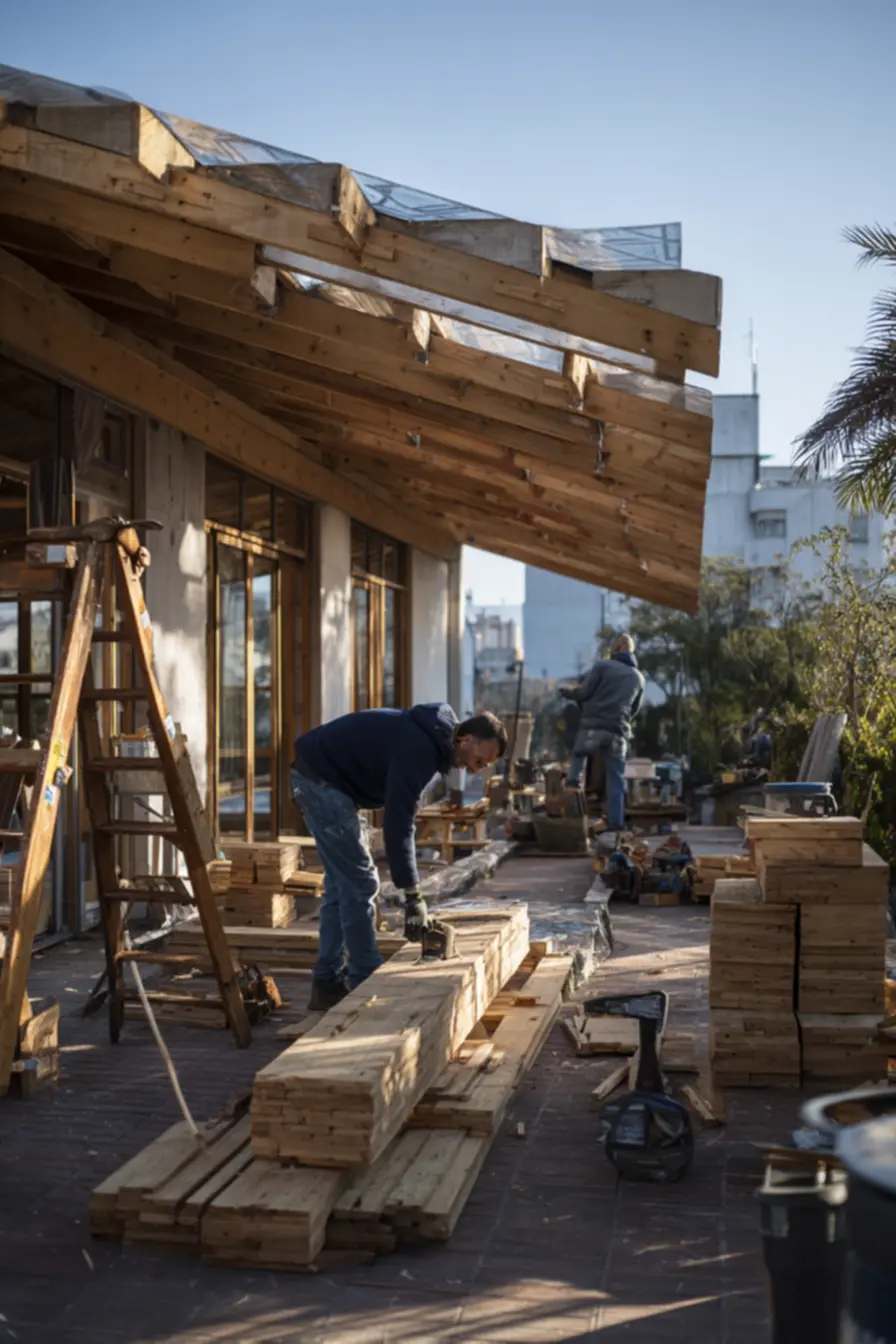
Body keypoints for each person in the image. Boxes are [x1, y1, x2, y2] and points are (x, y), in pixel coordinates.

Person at [290, 704, 507, 1010]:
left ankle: (327, 983)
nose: (477, 768)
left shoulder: (429, 738)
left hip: (320, 780)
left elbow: (399, 815)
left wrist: (411, 891)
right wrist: (412, 893)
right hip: (319, 784)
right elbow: (398, 822)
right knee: (362, 882)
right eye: (479, 759)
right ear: (465, 740)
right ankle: (366, 981)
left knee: (342, 886)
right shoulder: (420, 748)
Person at [560, 633, 645, 836]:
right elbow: (634, 710)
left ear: (616, 648)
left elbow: (585, 692)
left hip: (592, 728)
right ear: (631, 651)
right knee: (615, 780)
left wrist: (567, 692)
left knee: (578, 759)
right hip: (618, 732)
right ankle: (615, 827)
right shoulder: (638, 678)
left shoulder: (603, 666)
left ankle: (572, 808)